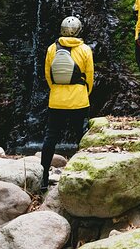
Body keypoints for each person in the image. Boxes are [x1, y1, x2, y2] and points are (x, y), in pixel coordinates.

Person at [40, 16, 94, 192]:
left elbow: (48, 74)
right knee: (81, 136)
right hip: (79, 99)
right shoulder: (85, 50)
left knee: (50, 137)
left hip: (56, 100)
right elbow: (90, 76)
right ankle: (84, 173)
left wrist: (56, 89)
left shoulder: (51, 49)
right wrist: (85, 92)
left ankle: (43, 178)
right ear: (79, 31)